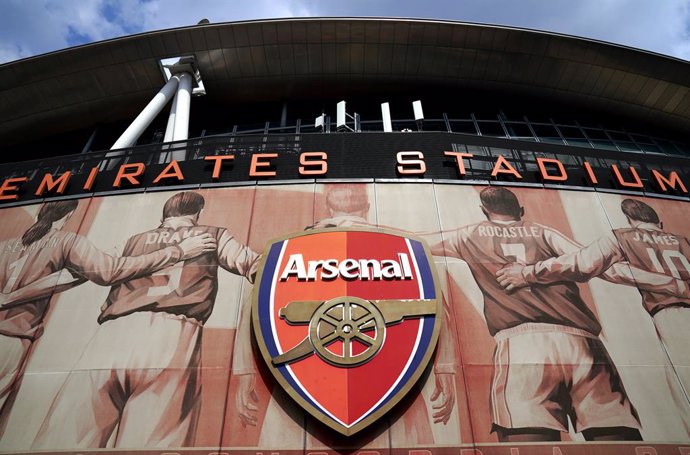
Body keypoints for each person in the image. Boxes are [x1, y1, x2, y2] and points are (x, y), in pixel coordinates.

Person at [31, 191, 259, 448]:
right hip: (173, 336)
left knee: (65, 441)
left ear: (164, 216)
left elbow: (92, 270)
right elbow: (254, 264)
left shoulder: (133, 240)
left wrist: (25, 291)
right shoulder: (213, 235)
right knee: (152, 445)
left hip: (111, 334)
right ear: (197, 214)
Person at [429, 187, 657, 442]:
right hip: (583, 343)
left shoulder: (467, 235)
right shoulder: (544, 232)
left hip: (523, 344)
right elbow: (594, 264)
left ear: (484, 212)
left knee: (529, 439)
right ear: (521, 211)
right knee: (615, 436)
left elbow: (417, 241)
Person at [0, 199, 215, 437]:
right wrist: (179, 251)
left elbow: (72, 277)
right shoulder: (68, 241)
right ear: (70, 215)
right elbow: (108, 271)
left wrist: (12, 296)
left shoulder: (5, 245)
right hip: (12, 339)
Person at [496, 198, 690, 402]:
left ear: (630, 220)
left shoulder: (622, 236)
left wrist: (528, 272)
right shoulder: (682, 241)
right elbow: (616, 271)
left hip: (672, 314)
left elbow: (583, 263)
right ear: (659, 224)